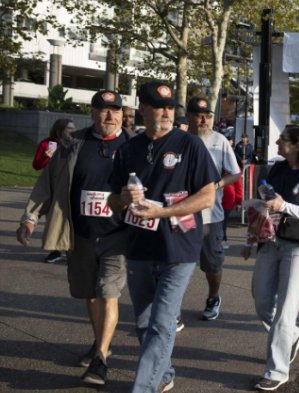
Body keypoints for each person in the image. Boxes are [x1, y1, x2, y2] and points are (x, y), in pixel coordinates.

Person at [108, 82, 218, 392]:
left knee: (162, 322)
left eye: (170, 107)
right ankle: (164, 373)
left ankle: (143, 387)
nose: (166, 112)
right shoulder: (128, 149)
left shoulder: (190, 145)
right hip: (139, 248)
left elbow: (207, 197)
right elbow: (112, 202)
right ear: (142, 108)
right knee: (144, 323)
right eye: (158, 106)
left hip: (179, 248)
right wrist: (124, 199)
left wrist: (162, 214)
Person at [17, 90, 130, 385]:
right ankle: (99, 341)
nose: (110, 116)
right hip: (79, 234)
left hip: (118, 235)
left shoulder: (134, 145)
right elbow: (48, 182)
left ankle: (101, 359)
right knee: (89, 293)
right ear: (92, 113)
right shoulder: (72, 143)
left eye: (115, 110)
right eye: (104, 110)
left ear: (122, 113)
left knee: (109, 292)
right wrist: (30, 218)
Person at [241, 125, 299, 391]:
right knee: (262, 301)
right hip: (269, 243)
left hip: (297, 248)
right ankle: (293, 336)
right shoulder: (277, 169)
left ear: (298, 145)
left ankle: (277, 371)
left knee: (284, 314)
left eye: (283, 140)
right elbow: (263, 206)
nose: (277, 142)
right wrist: (249, 238)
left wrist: (285, 206)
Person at [185, 97, 241, 321]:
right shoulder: (181, 140)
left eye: (207, 115)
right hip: (182, 214)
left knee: (212, 263)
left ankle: (213, 296)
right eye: (199, 115)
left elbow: (236, 172)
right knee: (177, 263)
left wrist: (217, 184)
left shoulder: (220, 141)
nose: (203, 119)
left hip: (210, 215)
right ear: (189, 116)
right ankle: (171, 309)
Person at [32, 118, 77, 263]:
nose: (72, 131)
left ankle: (70, 248)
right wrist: (46, 156)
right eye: (69, 128)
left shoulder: (74, 145)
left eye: (73, 128)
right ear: (60, 130)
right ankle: (56, 250)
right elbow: (37, 165)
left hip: (68, 185)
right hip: (50, 185)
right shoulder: (46, 144)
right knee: (52, 216)